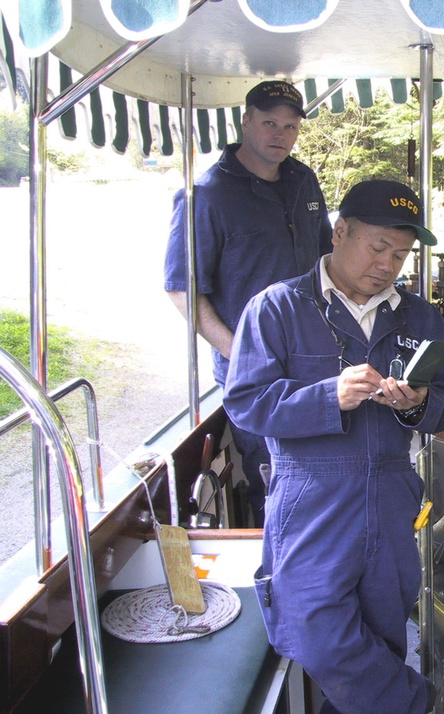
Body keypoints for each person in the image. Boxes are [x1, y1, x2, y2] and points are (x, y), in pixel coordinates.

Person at [223, 180, 444, 714]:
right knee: (310, 624)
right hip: (312, 492)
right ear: (340, 232)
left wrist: (415, 406)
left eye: (400, 254)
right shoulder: (278, 308)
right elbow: (245, 403)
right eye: (377, 247)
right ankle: (420, 705)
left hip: (392, 489)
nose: (388, 264)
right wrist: (325, 397)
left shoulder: (418, 316)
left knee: (383, 631)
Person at [164, 80, 332, 526]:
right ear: (246, 121)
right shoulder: (206, 195)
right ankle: (279, 581)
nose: (280, 134)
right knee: (275, 483)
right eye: (269, 122)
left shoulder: (303, 181)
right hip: (254, 375)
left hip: (315, 359)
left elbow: (327, 261)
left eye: (291, 126)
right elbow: (183, 288)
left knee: (323, 474)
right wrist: (239, 352)